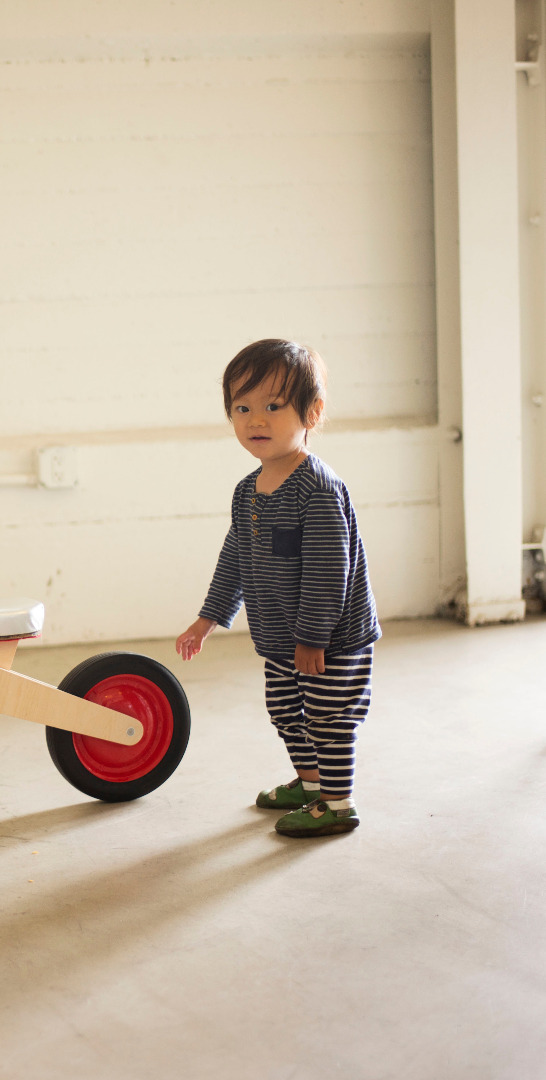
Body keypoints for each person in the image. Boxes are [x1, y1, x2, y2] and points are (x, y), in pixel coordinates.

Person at [174, 339, 379, 838]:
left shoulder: (318, 489)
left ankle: (337, 803)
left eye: (272, 406)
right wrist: (209, 618)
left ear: (312, 411)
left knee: (328, 718)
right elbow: (235, 559)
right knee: (286, 711)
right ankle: (310, 787)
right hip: (282, 638)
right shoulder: (248, 491)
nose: (255, 421)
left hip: (330, 640)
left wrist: (313, 637)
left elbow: (331, 572)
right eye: (242, 408)